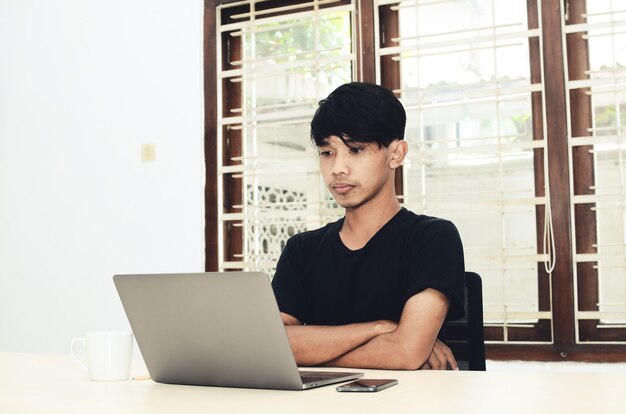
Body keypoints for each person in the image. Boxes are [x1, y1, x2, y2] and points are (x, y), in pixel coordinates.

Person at [271, 82, 465, 370]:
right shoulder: (302, 249)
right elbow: (273, 345)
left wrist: (312, 352)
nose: (338, 168)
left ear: (396, 154)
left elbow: (405, 352)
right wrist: (376, 329)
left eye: (355, 150)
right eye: (327, 153)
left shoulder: (432, 237)